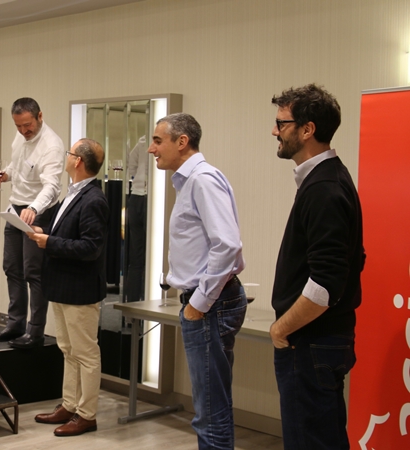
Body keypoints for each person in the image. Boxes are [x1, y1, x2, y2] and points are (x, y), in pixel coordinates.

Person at [269, 84, 365, 449]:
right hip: (319, 342)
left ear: (307, 129)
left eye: (282, 123)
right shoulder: (326, 180)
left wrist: (281, 328)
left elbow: (326, 282)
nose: (274, 131)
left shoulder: (325, 188)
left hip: (310, 343)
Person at [148, 113, 246, 450]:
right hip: (208, 303)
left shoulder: (202, 180)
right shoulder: (189, 181)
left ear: (182, 142)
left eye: (157, 141)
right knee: (211, 405)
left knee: (210, 411)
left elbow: (227, 245)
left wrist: (199, 304)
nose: (151, 149)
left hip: (210, 305)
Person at [28, 138, 108, 437]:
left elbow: (90, 248)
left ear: (78, 161)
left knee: (85, 353)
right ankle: (70, 404)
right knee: (68, 349)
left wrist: (49, 242)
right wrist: (43, 231)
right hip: (62, 285)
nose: (66, 156)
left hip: (80, 289)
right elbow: (66, 232)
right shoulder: (74, 193)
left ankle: (86, 414)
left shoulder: (94, 199)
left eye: (69, 152)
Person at [0, 97, 65, 349]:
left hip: (38, 212)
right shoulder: (20, 136)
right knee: (12, 267)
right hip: (15, 207)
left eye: (27, 125)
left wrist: (34, 208)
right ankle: (15, 324)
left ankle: (35, 331)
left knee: (33, 272)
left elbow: (52, 186)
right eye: (18, 126)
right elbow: (18, 166)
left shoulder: (52, 146)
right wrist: (5, 174)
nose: (23, 131)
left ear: (40, 116)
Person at [125, 134, 149, 303]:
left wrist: (136, 182)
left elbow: (131, 166)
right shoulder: (151, 141)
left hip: (135, 197)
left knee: (136, 257)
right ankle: (146, 298)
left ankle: (132, 302)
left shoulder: (142, 141)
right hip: (149, 197)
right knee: (151, 255)